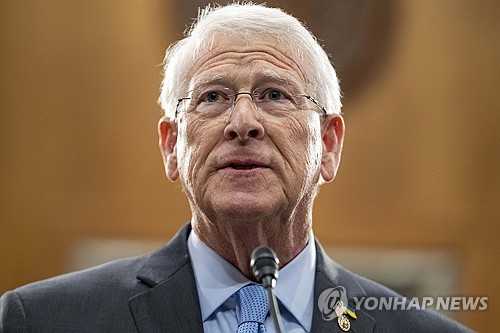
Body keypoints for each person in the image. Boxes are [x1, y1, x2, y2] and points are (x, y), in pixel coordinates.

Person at [0, 3, 472, 332]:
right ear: (171, 147)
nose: (242, 123)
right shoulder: (40, 320)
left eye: (274, 95)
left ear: (328, 145)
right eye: (213, 97)